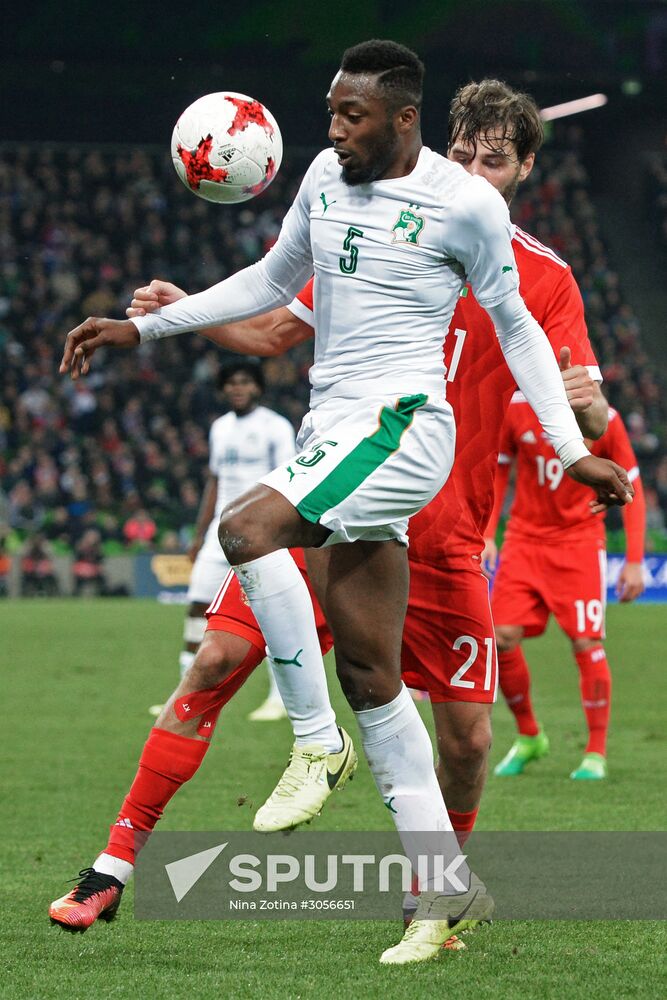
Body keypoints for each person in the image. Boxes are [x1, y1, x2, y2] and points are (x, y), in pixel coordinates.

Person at [55, 42, 633, 964]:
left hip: (416, 471)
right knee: (331, 677)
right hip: (335, 453)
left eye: (499, 154)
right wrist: (160, 319)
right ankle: (130, 865)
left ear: (520, 168)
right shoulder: (332, 178)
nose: (328, 130)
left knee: (456, 730)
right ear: (439, 134)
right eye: (469, 146)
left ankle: (322, 754)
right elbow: (276, 305)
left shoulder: (501, 242)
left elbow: (539, 350)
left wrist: (576, 444)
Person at [485, 401, 645, 780]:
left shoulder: (604, 418)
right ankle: (529, 735)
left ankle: (595, 751)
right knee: (500, 637)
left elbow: (631, 484)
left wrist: (635, 560)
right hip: (525, 539)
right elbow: (498, 470)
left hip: (580, 542)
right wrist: (488, 533)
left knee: (586, 642)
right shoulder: (516, 407)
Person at [162, 360, 296, 721]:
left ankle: (280, 699)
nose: (238, 388)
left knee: (271, 615)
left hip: (259, 532)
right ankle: (185, 694)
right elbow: (215, 482)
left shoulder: (275, 427)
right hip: (218, 534)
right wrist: (199, 533)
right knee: (196, 607)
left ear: (257, 388)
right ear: (223, 390)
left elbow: (287, 480)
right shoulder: (220, 428)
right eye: (231, 383)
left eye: (245, 382)